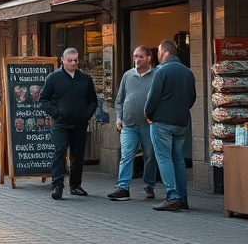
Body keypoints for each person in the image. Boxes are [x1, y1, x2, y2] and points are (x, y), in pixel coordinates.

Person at [144, 39, 196, 212]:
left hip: (162, 122)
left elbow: (152, 98)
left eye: (159, 52)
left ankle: (172, 195)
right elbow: (192, 97)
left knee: (164, 157)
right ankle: (183, 197)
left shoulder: (161, 71)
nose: (157, 56)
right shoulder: (188, 72)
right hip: (181, 122)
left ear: (164, 53)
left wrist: (148, 115)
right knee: (178, 158)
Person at [39, 47, 97, 201]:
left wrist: (86, 115)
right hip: (61, 124)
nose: (73, 63)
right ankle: (57, 186)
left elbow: (93, 101)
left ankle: (75, 185)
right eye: (70, 60)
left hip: (79, 123)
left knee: (78, 155)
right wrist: (55, 112)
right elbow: (43, 99)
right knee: (59, 151)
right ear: (63, 60)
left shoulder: (85, 79)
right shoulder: (54, 78)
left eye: (75, 60)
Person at [107, 45, 158, 201]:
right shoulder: (128, 75)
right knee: (126, 155)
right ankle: (122, 187)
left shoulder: (156, 75)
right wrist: (119, 117)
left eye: (140, 56)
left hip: (148, 125)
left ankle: (149, 185)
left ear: (149, 58)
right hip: (128, 124)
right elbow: (119, 100)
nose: (137, 59)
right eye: (135, 56)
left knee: (150, 156)